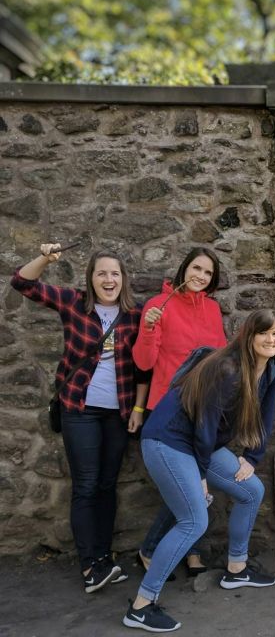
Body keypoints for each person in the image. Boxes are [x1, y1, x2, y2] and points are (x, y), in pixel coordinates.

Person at [123, 309, 275, 633]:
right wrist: (200, 473)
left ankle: (236, 568)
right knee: (194, 520)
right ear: (247, 336)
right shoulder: (228, 369)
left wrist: (253, 457)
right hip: (168, 440)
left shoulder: (271, 369)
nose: (271, 340)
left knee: (252, 490)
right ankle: (141, 606)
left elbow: (266, 415)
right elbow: (204, 424)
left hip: (197, 444)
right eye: (263, 333)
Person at [11, 244, 147, 593]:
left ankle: (103, 557)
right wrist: (45, 258)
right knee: (86, 486)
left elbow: (146, 363)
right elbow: (22, 283)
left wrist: (137, 410)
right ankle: (90, 565)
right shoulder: (74, 303)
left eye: (114, 273)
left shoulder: (135, 314)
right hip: (79, 410)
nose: (108, 279)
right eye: (101, 272)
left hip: (118, 413)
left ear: (123, 279)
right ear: (91, 278)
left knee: (107, 485)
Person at [133, 247, 227, 577]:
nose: (200, 276)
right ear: (183, 268)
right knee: (186, 485)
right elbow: (143, 362)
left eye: (208, 273)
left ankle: (191, 552)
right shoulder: (158, 306)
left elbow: (219, 358)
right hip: (168, 411)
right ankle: (151, 550)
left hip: (202, 410)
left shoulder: (213, 309)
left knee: (193, 484)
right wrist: (147, 328)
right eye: (196, 268)